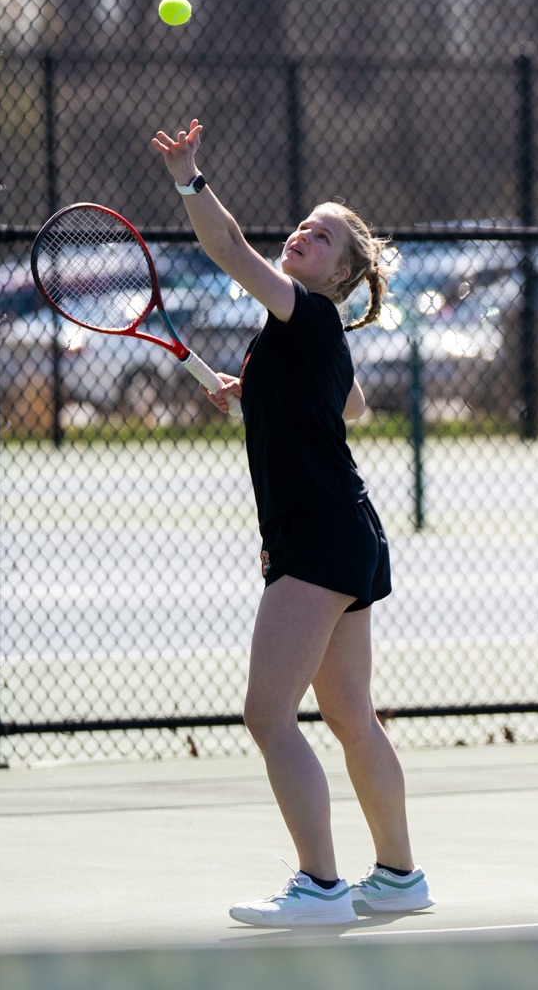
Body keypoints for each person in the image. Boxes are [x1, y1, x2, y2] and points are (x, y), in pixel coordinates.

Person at [152, 118, 432, 926]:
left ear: (340, 273)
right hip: (347, 534)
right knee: (349, 716)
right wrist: (259, 394)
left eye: (326, 236)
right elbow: (351, 404)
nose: (305, 233)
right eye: (306, 223)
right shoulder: (315, 335)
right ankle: (399, 877)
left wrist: (188, 179)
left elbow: (230, 249)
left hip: (315, 539)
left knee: (267, 715)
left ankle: (319, 887)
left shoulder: (305, 313)